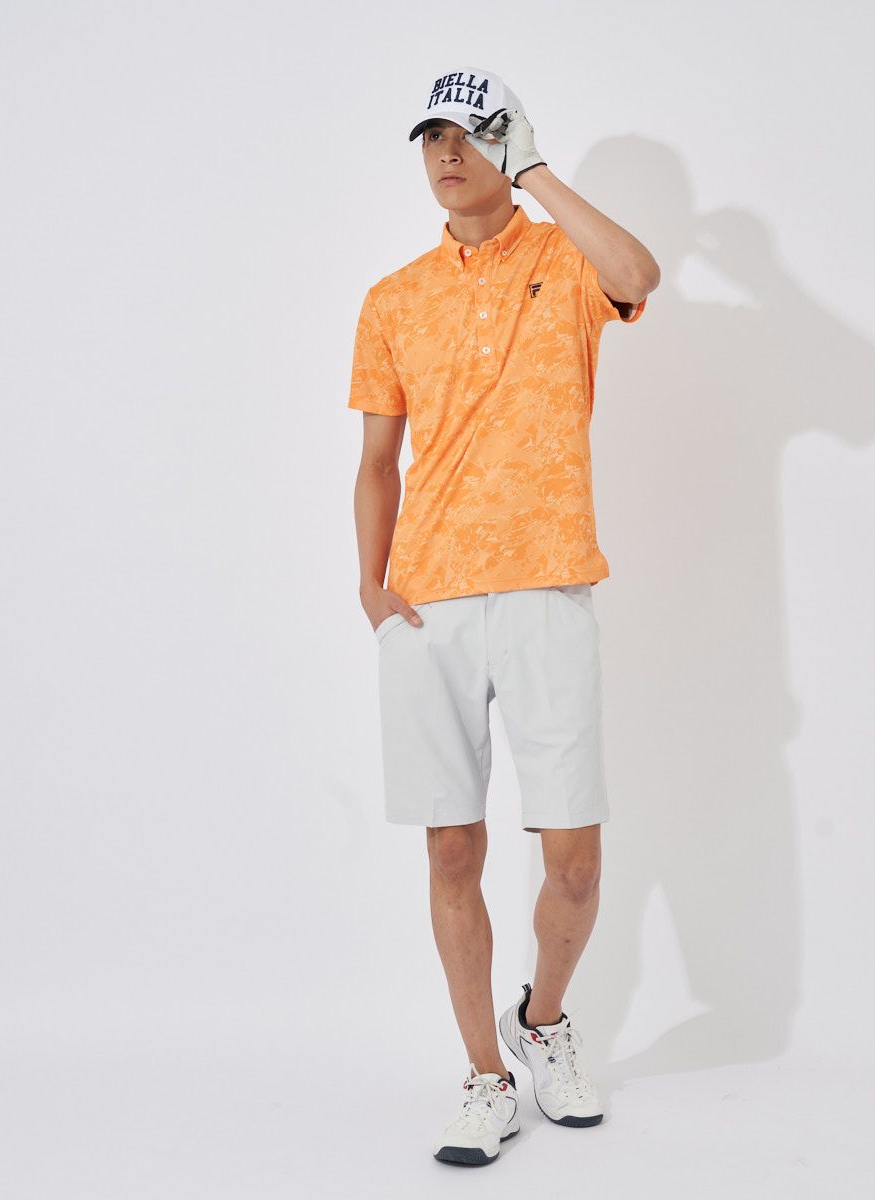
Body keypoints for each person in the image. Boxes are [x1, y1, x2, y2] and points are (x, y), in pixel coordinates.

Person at [347, 67, 659, 1167]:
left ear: (507, 145)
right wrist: (370, 585)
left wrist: (536, 171)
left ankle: (544, 1021)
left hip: (547, 586)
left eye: (471, 135)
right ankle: (485, 1076)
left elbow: (639, 275)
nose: (446, 153)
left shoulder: (567, 263)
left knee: (572, 857)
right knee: (451, 850)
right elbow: (376, 459)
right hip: (428, 605)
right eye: (431, 136)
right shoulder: (393, 298)